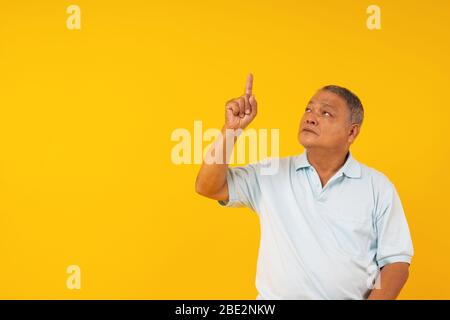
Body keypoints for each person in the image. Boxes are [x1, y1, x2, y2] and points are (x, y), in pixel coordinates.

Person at [195, 74, 413, 300]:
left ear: (352, 132)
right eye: (308, 109)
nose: (310, 117)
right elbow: (208, 186)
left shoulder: (377, 187)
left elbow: (396, 262)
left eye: (325, 113)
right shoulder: (270, 173)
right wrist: (231, 129)